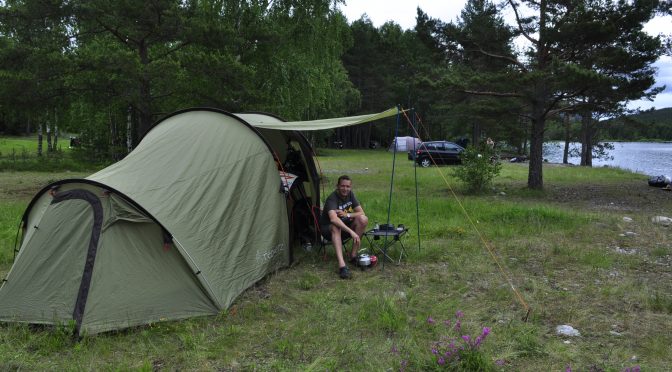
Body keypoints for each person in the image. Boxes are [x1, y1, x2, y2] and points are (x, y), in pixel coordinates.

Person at [319, 175, 368, 279]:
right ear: (337, 186)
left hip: (344, 227)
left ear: (350, 187)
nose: (345, 189)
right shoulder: (332, 198)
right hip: (328, 230)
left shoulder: (350, 195)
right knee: (335, 226)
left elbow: (361, 212)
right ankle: (342, 266)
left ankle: (353, 256)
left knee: (363, 219)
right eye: (342, 186)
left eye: (348, 186)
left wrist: (348, 215)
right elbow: (333, 219)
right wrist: (351, 231)